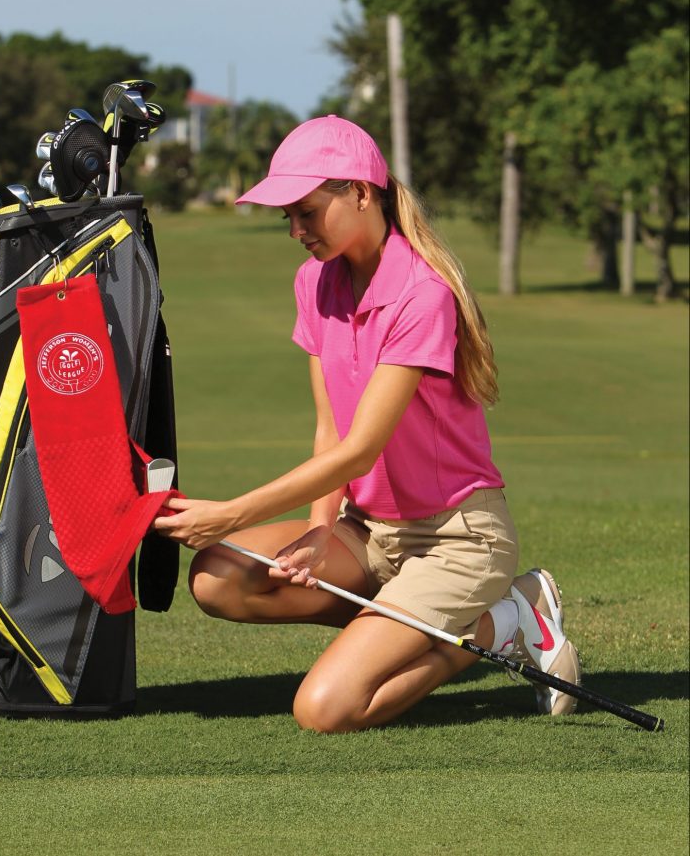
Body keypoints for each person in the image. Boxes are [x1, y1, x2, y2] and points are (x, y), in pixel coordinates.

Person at [153, 115, 581, 732]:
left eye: (307, 211)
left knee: (325, 710)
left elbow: (359, 452)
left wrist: (232, 514)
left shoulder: (422, 294)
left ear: (360, 192)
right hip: (367, 531)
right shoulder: (314, 282)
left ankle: (509, 618)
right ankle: (406, 624)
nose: (297, 230)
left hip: (459, 540)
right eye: (287, 218)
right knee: (219, 578)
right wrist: (323, 529)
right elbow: (330, 431)